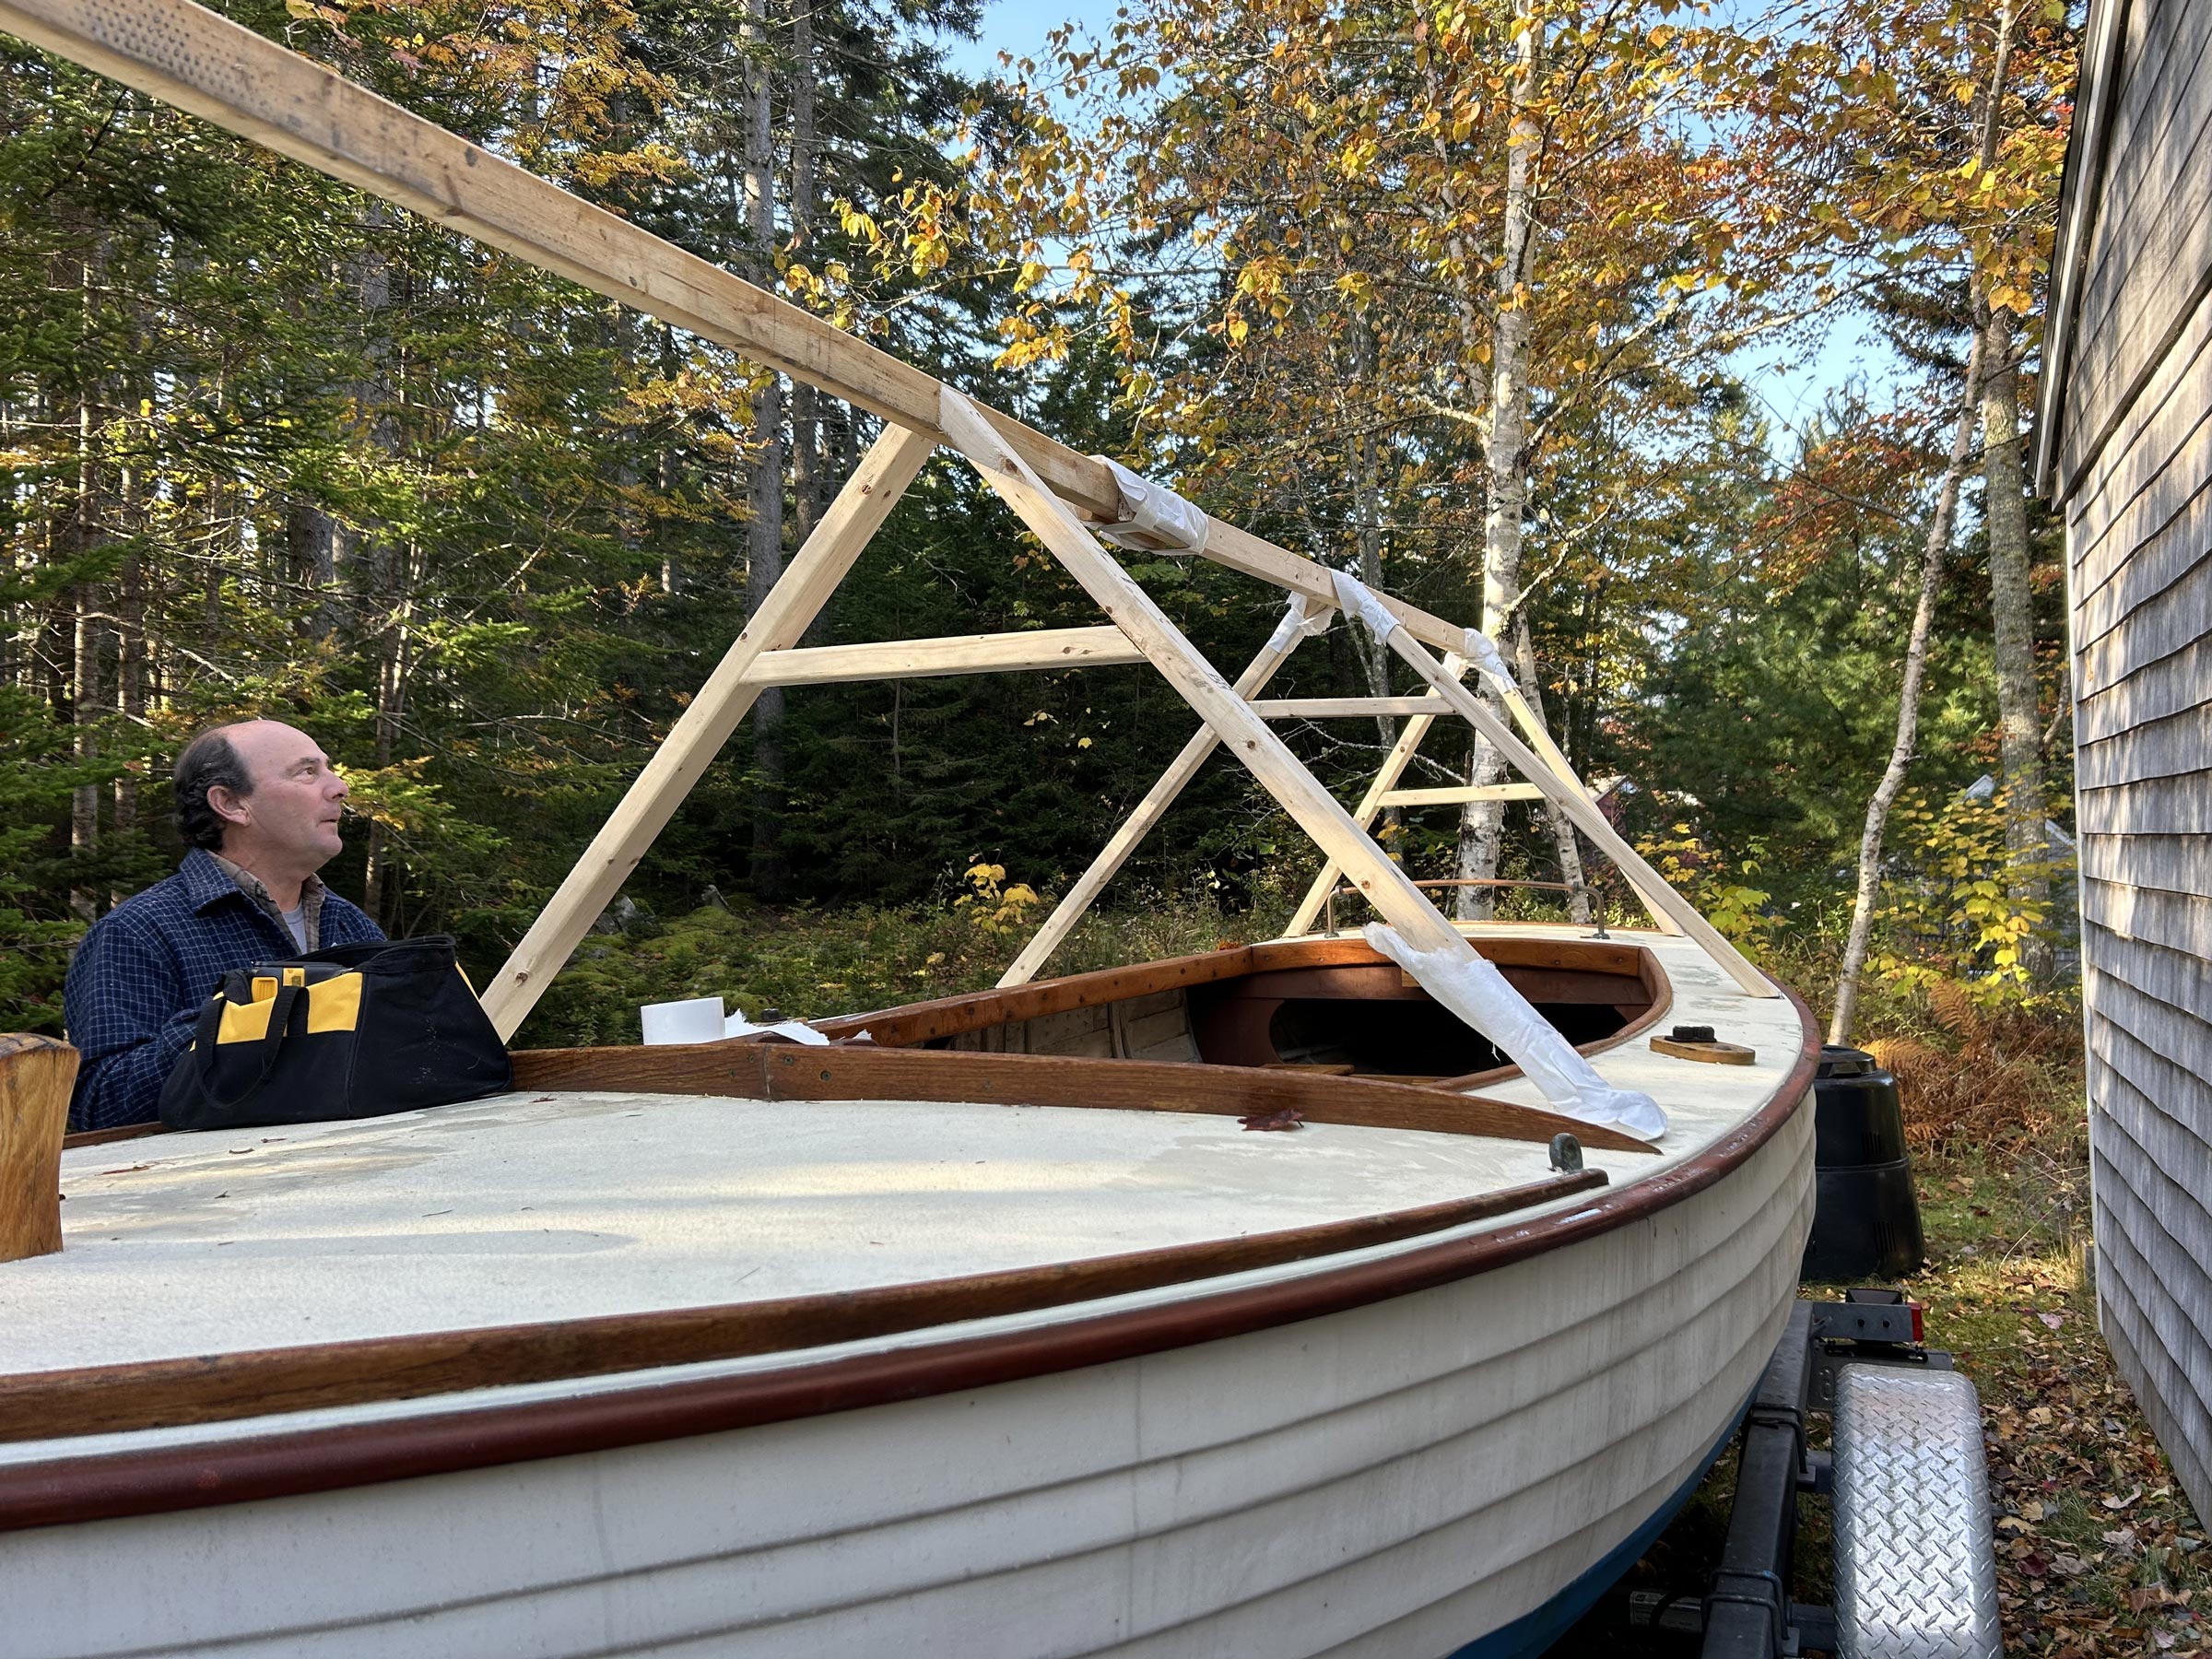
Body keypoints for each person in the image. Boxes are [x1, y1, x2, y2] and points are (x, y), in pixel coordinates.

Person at [63, 720, 384, 1131]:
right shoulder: (137, 932)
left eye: (328, 769)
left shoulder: (353, 926)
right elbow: (101, 1106)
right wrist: (237, 1020)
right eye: (307, 772)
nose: (339, 787)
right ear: (230, 804)